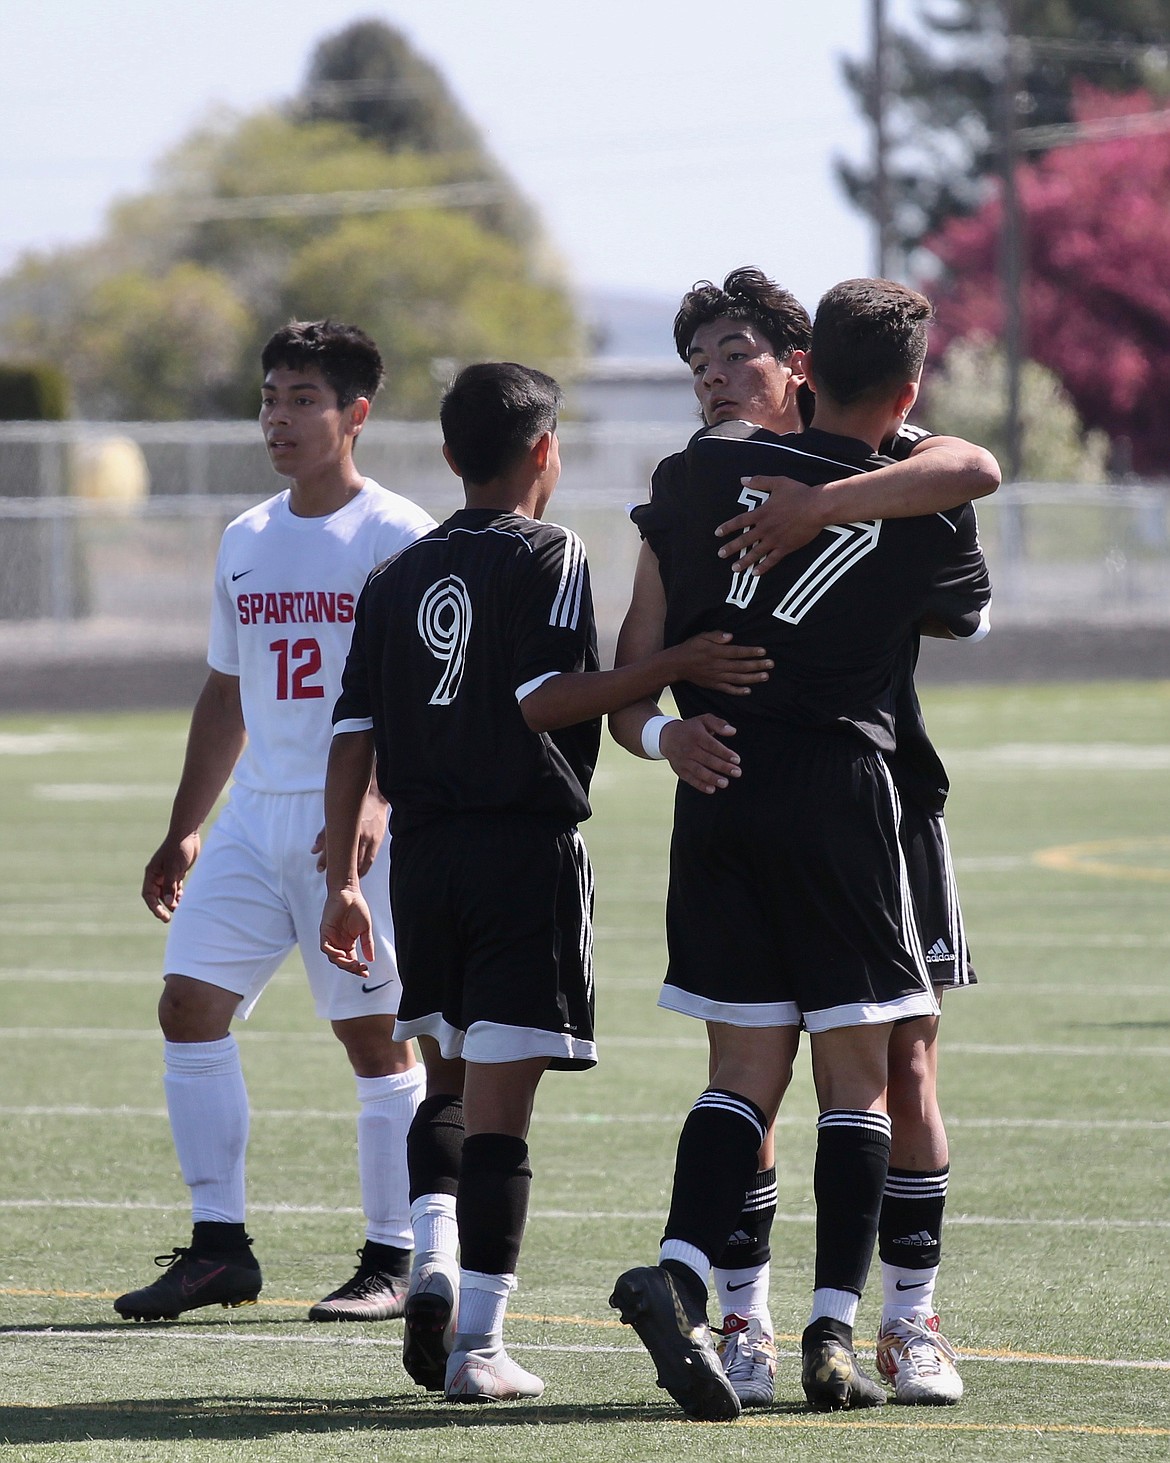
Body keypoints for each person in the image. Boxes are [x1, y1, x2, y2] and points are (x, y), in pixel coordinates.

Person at [319, 361, 772, 1402]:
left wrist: (346, 874)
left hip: (422, 857)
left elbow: (352, 737)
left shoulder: (395, 573)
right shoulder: (548, 551)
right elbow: (543, 698)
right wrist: (676, 660)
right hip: (520, 853)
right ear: (544, 452)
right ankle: (477, 1343)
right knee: (502, 1111)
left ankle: (431, 1256)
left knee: (444, 1075)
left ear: (447, 456)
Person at [607, 278, 991, 1420]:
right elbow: (636, 678)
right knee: (814, 1073)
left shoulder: (873, 469)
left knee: (882, 1058)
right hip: (822, 790)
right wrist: (666, 727)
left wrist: (822, 507)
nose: (717, 378)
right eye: (698, 366)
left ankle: (899, 1315)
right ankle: (768, 1316)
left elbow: (961, 494)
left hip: (883, 796)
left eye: (736, 355)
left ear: (801, 361)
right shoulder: (699, 480)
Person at [115, 320, 436, 1324]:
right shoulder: (247, 537)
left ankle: (394, 1257)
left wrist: (378, 796)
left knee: (376, 1038)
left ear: (355, 415)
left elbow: (423, 693)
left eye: (303, 398)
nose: (279, 418)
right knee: (188, 1005)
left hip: (352, 823)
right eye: (270, 397)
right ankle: (221, 1247)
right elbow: (225, 691)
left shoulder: (399, 533)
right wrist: (184, 824)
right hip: (256, 818)